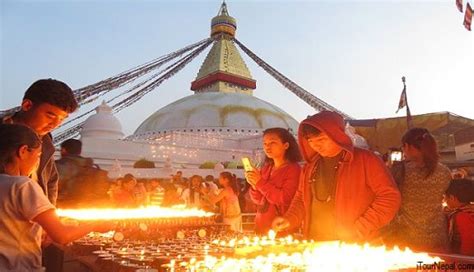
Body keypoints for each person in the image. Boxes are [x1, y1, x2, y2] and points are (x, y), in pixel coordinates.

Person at [272, 111, 401, 242]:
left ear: (337, 135)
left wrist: (361, 226)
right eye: (311, 141)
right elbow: (301, 199)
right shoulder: (310, 167)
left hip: (355, 245)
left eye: (321, 139)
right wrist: (289, 219)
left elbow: (389, 197)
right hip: (315, 243)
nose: (316, 145)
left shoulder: (366, 160)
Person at [0, 124, 109, 271]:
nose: (37, 164)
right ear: (23, 151)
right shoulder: (22, 186)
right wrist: (95, 224)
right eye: (38, 156)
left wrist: (45, 229)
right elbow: (62, 236)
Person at [0, 78, 78, 272]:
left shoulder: (46, 141)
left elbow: (51, 181)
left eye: (61, 119)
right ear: (27, 105)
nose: (54, 124)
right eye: (50, 115)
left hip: (31, 227)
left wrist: (48, 220)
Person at [387, 127, 452, 252]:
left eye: (403, 147)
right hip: (437, 237)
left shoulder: (400, 171)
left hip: (407, 239)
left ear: (408, 146)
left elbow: (389, 198)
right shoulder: (444, 172)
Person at [246, 127, 301, 235]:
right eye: (265, 143)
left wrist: (260, 183)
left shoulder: (294, 169)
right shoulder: (267, 168)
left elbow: (285, 198)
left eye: (272, 142)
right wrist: (254, 185)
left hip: (281, 228)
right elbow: (258, 200)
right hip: (261, 227)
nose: (267, 147)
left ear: (286, 145)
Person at [444, 179, 474, 255]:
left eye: (445, 197)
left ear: (452, 197)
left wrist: (463, 262)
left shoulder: (462, 216)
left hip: (463, 260)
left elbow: (468, 243)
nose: (444, 200)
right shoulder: (467, 211)